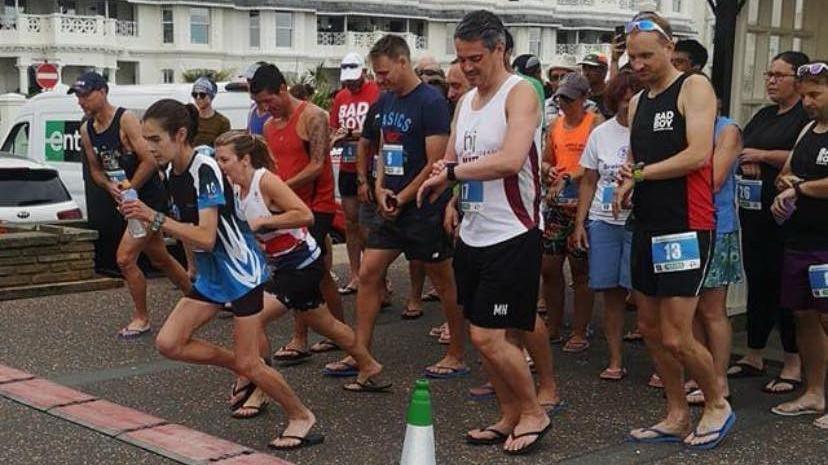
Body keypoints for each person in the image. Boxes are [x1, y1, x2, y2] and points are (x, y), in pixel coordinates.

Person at [120, 100, 321, 450]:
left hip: (239, 271)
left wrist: (152, 217)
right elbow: (187, 226)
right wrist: (191, 263)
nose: (148, 147)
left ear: (180, 135)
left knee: (251, 360)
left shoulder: (205, 168)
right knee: (169, 343)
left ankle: (301, 415)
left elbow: (206, 235)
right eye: (145, 139)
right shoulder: (170, 170)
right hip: (213, 274)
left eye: (155, 139)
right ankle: (243, 368)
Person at [417, 10, 551, 454]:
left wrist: (452, 172)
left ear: (500, 49)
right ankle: (510, 413)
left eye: (476, 58)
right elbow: (453, 160)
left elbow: (512, 158)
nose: (468, 67)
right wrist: (450, 191)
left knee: (488, 336)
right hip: (473, 230)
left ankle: (534, 410)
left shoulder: (521, 93)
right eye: (461, 59)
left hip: (514, 230)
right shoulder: (465, 102)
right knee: (488, 334)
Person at [615, 12, 733, 448]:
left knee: (676, 333)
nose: (639, 64)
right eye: (632, 57)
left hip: (686, 225)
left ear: (669, 48)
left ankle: (717, 401)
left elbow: (699, 154)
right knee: (648, 326)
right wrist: (627, 181)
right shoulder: (638, 102)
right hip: (646, 223)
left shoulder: (694, 86)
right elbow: (637, 161)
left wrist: (641, 175)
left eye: (647, 55)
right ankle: (676, 412)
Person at [213, 130, 384, 418]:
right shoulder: (234, 186)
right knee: (324, 322)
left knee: (251, 318)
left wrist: (266, 221)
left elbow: (305, 214)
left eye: (225, 159)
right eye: (217, 159)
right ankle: (368, 365)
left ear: (244, 159)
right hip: (281, 265)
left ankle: (260, 388)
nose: (220, 165)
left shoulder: (265, 181)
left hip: (302, 263)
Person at [332, 34, 468, 388]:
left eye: (384, 72)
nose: (379, 80)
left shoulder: (431, 102)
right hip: (389, 205)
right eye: (376, 74)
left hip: (423, 206)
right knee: (367, 273)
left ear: (403, 62)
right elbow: (379, 145)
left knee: (443, 280)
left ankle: (456, 352)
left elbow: (436, 160)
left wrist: (404, 196)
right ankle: (361, 352)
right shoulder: (384, 101)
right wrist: (377, 186)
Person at [73, 71, 191, 338]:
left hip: (148, 198)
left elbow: (150, 159)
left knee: (125, 259)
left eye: (86, 94)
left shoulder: (125, 119)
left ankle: (142, 318)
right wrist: (108, 185)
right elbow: (95, 170)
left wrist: (130, 188)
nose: (82, 101)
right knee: (160, 257)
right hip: (127, 199)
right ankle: (198, 298)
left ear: (102, 92)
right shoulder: (86, 129)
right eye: (78, 96)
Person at [728, 51, 811, 394]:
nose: (772, 81)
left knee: (785, 287)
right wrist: (746, 158)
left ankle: (793, 361)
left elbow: (802, 157)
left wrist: (762, 156)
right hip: (753, 211)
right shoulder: (763, 115)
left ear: (798, 80)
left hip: (788, 217)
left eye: (780, 75)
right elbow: (739, 147)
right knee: (758, 281)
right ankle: (754, 352)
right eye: (768, 74)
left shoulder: (804, 118)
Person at [250, 64, 346, 360]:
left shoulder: (313, 116)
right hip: (286, 208)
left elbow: (318, 165)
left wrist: (281, 190)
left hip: (315, 206)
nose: (266, 109)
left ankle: (303, 337)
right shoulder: (268, 126)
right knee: (319, 273)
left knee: (299, 272)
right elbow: (272, 167)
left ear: (282, 89)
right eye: (260, 104)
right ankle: (338, 334)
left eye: (269, 101)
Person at [571, 70, 642, 380]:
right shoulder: (601, 133)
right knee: (610, 293)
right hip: (603, 218)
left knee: (644, 296)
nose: (628, 105)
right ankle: (615, 359)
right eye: (623, 100)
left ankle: (662, 365)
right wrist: (580, 223)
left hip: (638, 222)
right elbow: (589, 179)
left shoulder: (652, 132)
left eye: (634, 99)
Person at [769, 61, 828, 430]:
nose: (807, 101)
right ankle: (814, 391)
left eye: (815, 94)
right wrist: (787, 182)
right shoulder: (808, 128)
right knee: (804, 315)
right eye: (805, 94)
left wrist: (800, 187)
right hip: (799, 239)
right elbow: (785, 171)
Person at [685, 92, 743, 406]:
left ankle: (720, 379)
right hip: (684, 226)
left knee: (712, 309)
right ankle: (701, 372)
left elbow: (714, 179)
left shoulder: (727, 129)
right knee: (689, 307)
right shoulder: (686, 130)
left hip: (717, 227)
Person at [542, 72, 603, 351]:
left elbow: (593, 166)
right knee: (549, 267)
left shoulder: (594, 124)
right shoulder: (555, 125)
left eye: (570, 99)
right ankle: (553, 325)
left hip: (582, 204)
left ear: (584, 98)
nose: (564, 104)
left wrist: (569, 177)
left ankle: (580, 329)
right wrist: (549, 170)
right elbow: (546, 159)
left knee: (580, 270)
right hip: (556, 204)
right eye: (560, 99)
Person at [330, 52, 381, 297]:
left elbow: (377, 132)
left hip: (370, 164)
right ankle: (355, 273)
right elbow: (333, 128)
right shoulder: (340, 97)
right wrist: (338, 136)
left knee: (366, 225)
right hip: (347, 165)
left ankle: (376, 278)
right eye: (347, 80)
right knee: (350, 222)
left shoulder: (375, 93)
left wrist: (350, 133)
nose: (351, 84)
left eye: (354, 78)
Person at [191, 77, 231, 148]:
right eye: (195, 94)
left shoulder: (223, 122)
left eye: (202, 94)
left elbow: (225, 148)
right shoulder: (190, 119)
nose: (198, 97)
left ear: (211, 96)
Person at [578, 53, 613, 118]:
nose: (586, 73)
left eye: (591, 68)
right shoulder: (581, 97)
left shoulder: (611, 96)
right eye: (584, 68)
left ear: (603, 71)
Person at [244, 62, 271, 136]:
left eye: (255, 82)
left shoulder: (275, 112)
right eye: (248, 81)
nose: (250, 86)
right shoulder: (253, 109)